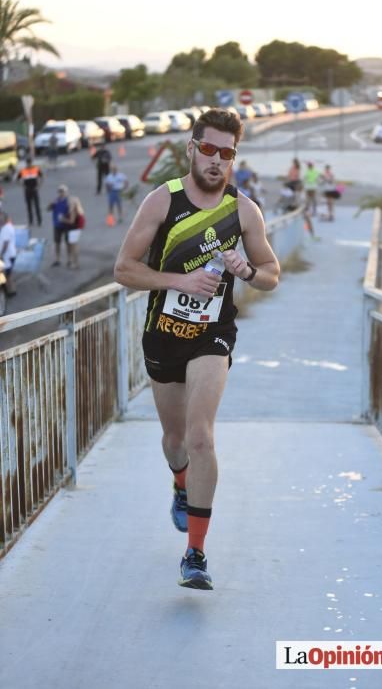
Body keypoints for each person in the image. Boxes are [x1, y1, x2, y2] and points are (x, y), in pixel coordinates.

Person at [114, 108, 280, 591]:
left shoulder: (244, 210)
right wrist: (180, 280)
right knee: (175, 441)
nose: (216, 161)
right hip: (163, 333)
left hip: (213, 335)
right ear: (191, 147)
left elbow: (271, 273)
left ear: (234, 158)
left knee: (201, 435)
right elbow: (124, 269)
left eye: (226, 153)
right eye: (208, 149)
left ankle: (195, 555)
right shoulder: (161, 202)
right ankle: (180, 485)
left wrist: (247, 272)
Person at [47, 184, 73, 267]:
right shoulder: (55, 201)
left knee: (68, 242)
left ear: (66, 192)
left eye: (63, 191)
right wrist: (51, 204)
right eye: (60, 191)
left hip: (66, 225)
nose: (61, 193)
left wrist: (66, 219)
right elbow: (48, 209)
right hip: (57, 225)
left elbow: (72, 213)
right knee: (57, 242)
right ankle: (57, 259)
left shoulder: (68, 202)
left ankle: (69, 259)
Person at [16, 156, 43, 227]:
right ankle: (31, 221)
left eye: (30, 163)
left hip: (34, 189)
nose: (29, 164)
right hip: (27, 190)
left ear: (31, 163)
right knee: (29, 207)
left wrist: (38, 186)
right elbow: (17, 179)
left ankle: (39, 221)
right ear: (26, 163)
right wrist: (23, 186)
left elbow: (41, 177)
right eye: (28, 163)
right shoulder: (23, 170)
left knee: (37, 206)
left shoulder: (36, 169)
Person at [0, 210, 17, 296]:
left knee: (6, 274)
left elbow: (5, 244)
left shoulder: (6, 229)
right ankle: (10, 289)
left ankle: (10, 291)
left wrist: (1, 255)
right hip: (10, 254)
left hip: (8, 255)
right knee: (8, 274)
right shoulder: (7, 227)